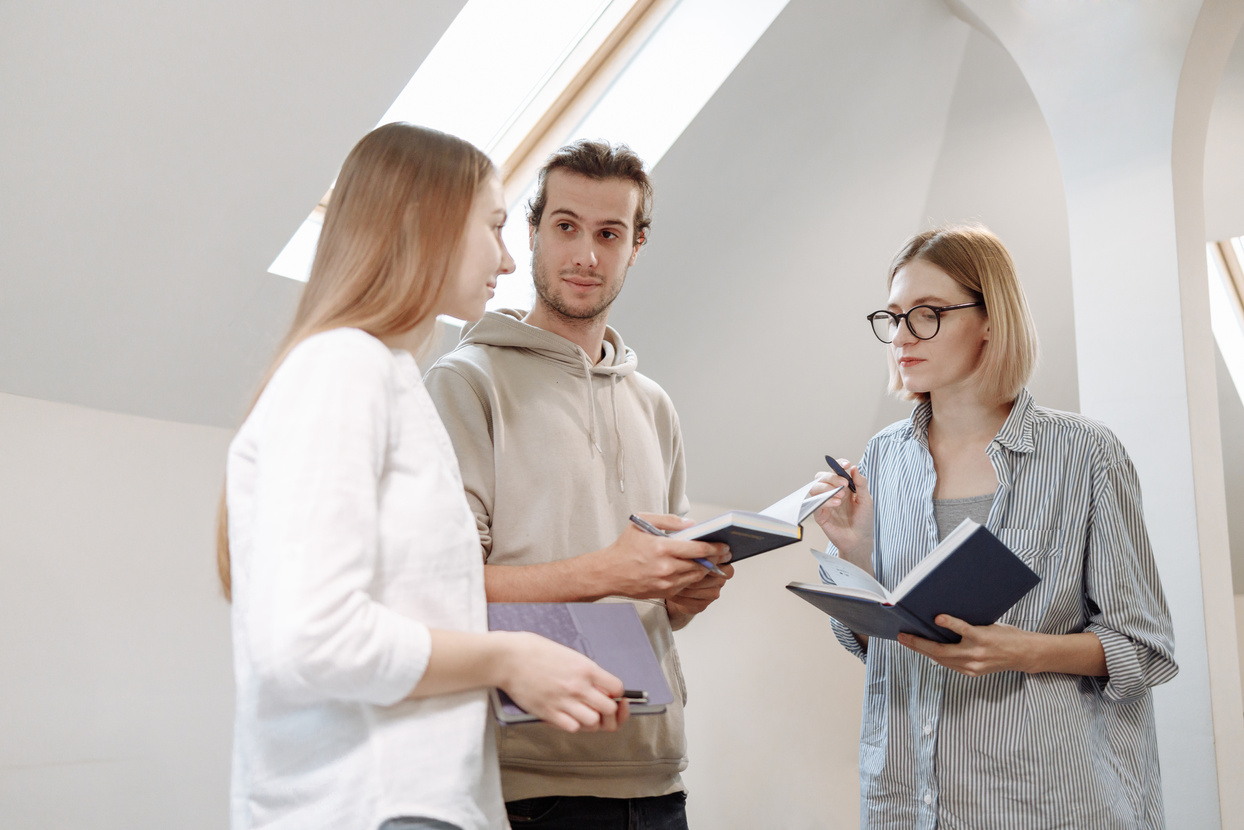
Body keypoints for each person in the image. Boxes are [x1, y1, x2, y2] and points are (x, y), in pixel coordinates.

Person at [218, 123, 630, 830]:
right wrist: (509, 657)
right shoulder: (342, 368)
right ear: (426, 221)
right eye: (495, 226)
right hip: (365, 805)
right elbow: (308, 639)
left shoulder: (388, 379)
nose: (506, 258)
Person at [813, 224, 1177, 829]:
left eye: (927, 314)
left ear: (990, 318)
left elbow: (1147, 649)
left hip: (1051, 802)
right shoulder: (882, 457)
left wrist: (1022, 651)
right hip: (908, 801)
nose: (902, 336)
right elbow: (878, 648)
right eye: (894, 316)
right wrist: (854, 555)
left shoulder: (1086, 454)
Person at [424, 139, 733, 830]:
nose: (586, 255)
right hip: (526, 776)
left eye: (608, 233)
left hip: (656, 770)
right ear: (532, 232)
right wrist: (612, 568)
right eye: (565, 227)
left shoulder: (654, 403)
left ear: (637, 246)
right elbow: (445, 585)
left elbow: (659, 603)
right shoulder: (466, 381)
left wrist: (686, 592)